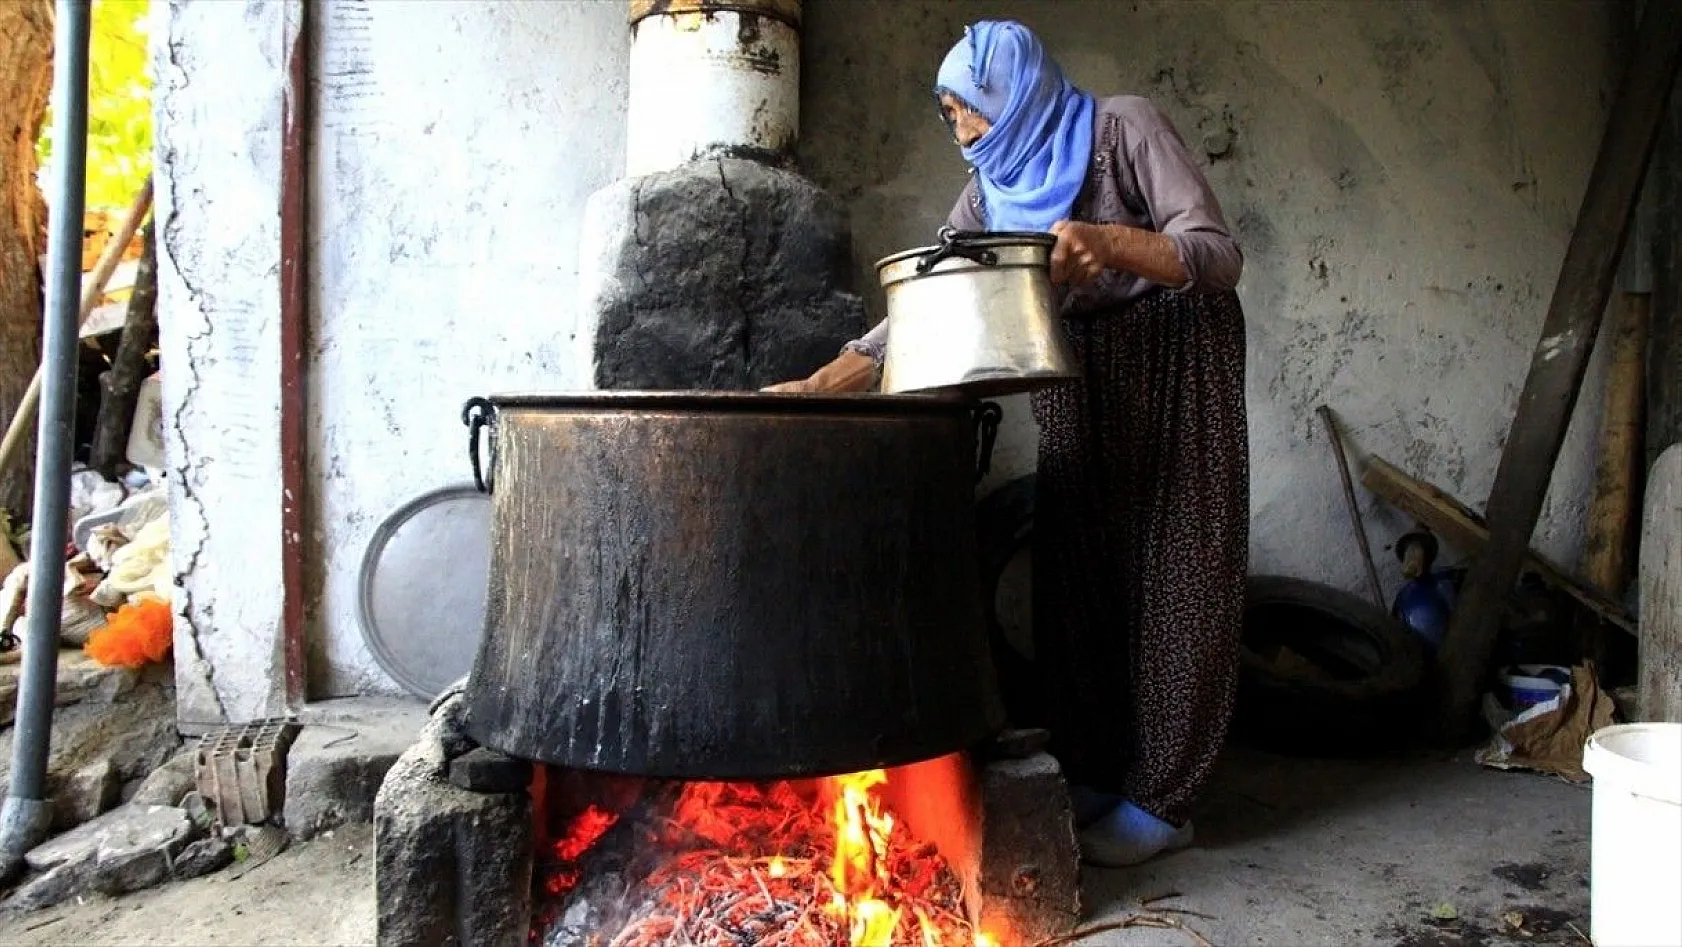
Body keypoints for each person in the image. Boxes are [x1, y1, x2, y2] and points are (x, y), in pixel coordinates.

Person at [766, 20, 1249, 868]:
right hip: (1081, 361)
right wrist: (826, 379)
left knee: (1177, 566)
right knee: (1085, 566)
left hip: (1175, 354)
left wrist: (1113, 243)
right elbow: (932, 292)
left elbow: (1216, 253)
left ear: (1011, 93)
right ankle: (1101, 766)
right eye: (947, 114)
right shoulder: (991, 189)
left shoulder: (1119, 129)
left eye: (968, 110)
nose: (959, 131)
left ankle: (1166, 799)